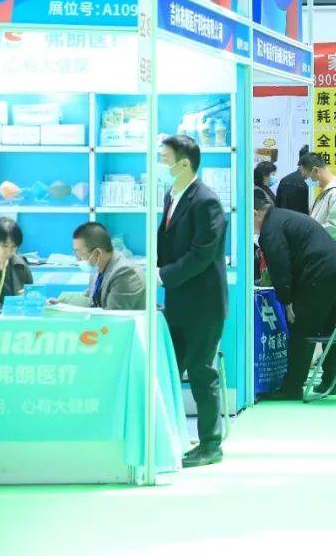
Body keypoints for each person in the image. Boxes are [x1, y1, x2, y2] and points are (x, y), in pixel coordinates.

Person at [157, 135, 228, 468]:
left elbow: (202, 254)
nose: (160, 163)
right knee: (171, 371)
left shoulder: (206, 201)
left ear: (184, 163)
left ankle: (211, 445)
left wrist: (164, 275)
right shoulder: (171, 195)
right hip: (178, 301)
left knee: (201, 373)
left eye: (164, 158)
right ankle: (172, 438)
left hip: (204, 304)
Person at [254, 190, 336, 400]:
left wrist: (287, 300)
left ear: (255, 213)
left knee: (301, 328)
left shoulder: (270, 229)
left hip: (321, 273)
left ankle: (292, 387)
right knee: (334, 327)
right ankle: (331, 380)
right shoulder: (286, 217)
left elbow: (280, 266)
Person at [55, 222, 146, 310]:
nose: (78, 259)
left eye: (80, 254)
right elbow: (90, 298)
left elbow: (113, 315)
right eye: (76, 253)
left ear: (97, 253)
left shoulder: (124, 272)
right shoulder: (98, 269)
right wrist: (61, 302)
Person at [0, 218, 32, 307]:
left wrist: (30, 299)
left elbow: (31, 296)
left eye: (14, 247)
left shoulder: (21, 265)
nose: (9, 252)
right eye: (4, 246)